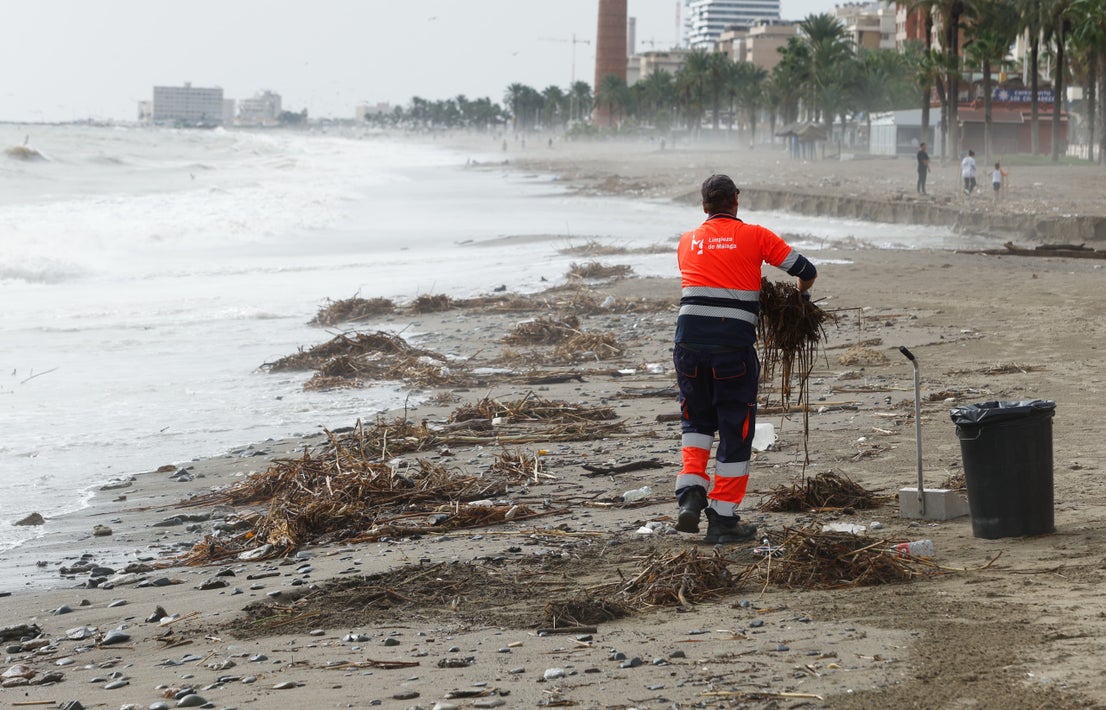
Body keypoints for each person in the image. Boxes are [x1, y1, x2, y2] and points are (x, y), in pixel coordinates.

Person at [673, 175, 818, 544]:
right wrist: (800, 301)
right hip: (731, 352)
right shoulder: (756, 235)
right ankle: (722, 517)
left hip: (687, 345)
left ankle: (691, 494)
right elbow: (805, 271)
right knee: (735, 432)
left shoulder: (687, 242)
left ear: (704, 205)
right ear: (736, 201)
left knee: (697, 422)